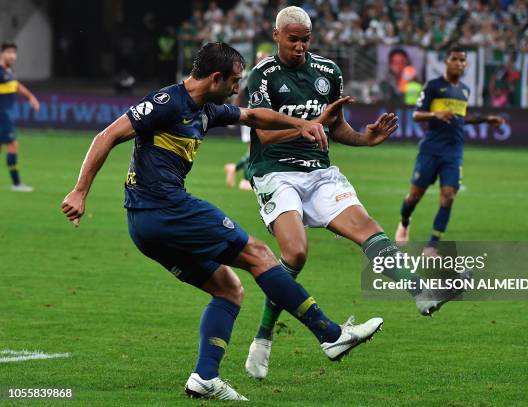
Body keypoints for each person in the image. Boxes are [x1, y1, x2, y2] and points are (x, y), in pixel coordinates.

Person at [60, 42, 383, 401]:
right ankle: (330, 334)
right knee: (260, 254)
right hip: (165, 209)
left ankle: (204, 377)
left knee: (229, 289)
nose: (236, 88)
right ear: (215, 77)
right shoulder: (167, 103)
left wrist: (303, 124)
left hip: (145, 225)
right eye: (233, 81)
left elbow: (255, 117)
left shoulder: (207, 109)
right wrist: (79, 191)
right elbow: (106, 136)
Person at [244, 7, 463, 380]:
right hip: (275, 173)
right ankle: (263, 338)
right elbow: (264, 133)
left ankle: (421, 293)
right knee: (295, 252)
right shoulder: (263, 75)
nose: (299, 46)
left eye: (305, 40)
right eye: (292, 39)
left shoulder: (328, 72)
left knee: (368, 228)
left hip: (320, 172)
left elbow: (335, 127)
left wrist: (365, 138)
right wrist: (306, 126)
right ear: (277, 35)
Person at [394, 48, 505, 255]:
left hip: (454, 151)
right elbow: (417, 115)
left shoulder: (464, 90)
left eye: (463, 60)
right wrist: (436, 114)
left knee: (448, 197)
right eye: (455, 59)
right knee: (415, 196)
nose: (459, 64)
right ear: (446, 61)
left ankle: (432, 245)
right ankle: (404, 222)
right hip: (431, 149)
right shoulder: (433, 86)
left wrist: (487, 119)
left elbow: (463, 117)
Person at [224, 50, 271, 191]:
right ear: (257, 60)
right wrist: (233, 112)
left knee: (259, 148)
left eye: (265, 58)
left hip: (264, 115)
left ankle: (235, 168)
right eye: (261, 58)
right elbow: (239, 94)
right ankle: (245, 180)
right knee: (254, 149)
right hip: (253, 115)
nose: (263, 60)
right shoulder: (252, 75)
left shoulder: (268, 75)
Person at [0, 41, 40, 192]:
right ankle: (16, 184)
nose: (12, 55)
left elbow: (16, 85)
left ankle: (16, 183)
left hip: (5, 117)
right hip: (2, 118)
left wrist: (31, 97)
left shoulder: (8, 72)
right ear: (2, 54)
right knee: (13, 146)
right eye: (9, 52)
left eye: (14, 53)